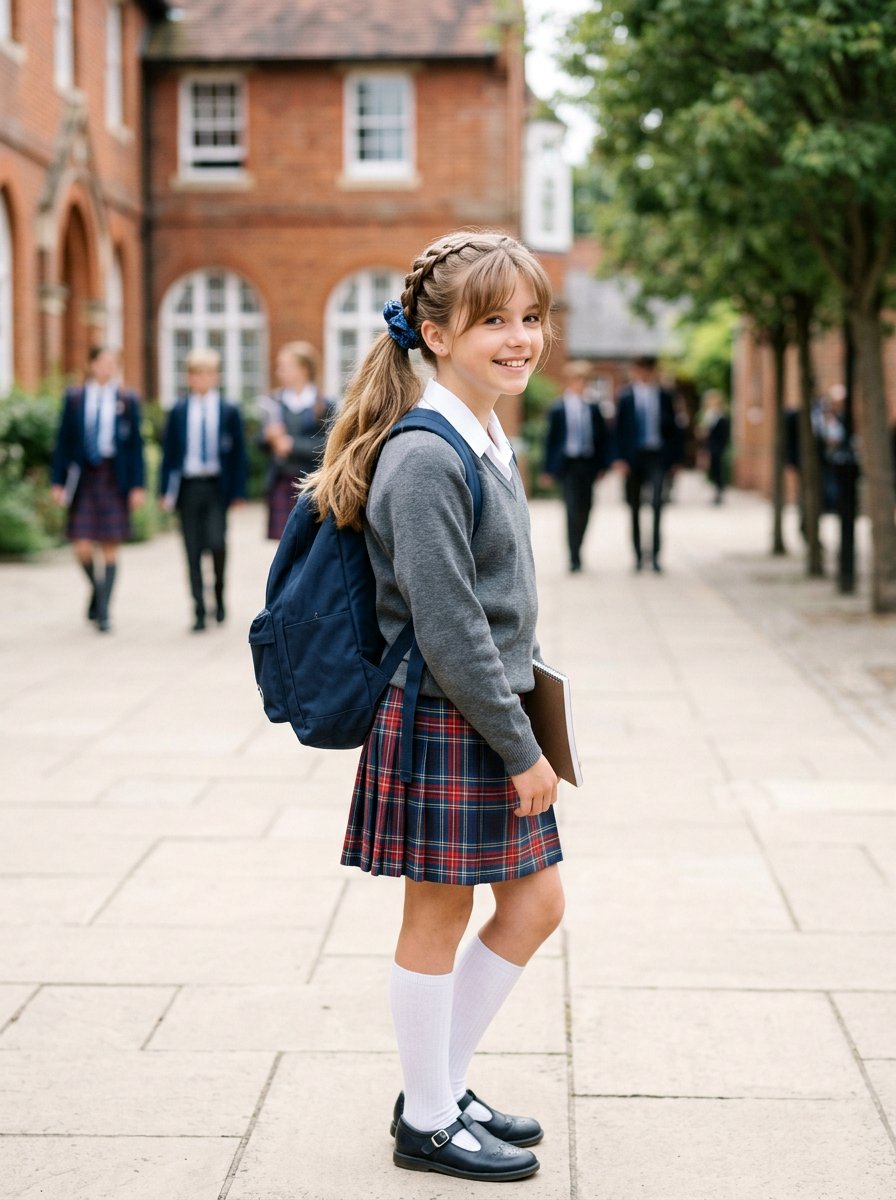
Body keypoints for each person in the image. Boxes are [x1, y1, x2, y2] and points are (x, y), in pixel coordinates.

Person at [305, 231, 564, 1183]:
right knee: (440, 914)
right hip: (450, 713)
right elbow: (451, 628)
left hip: (484, 707)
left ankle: (439, 1084)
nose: (519, 338)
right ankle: (426, 1117)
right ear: (435, 332)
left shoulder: (483, 434)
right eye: (493, 320)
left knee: (534, 904)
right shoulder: (426, 454)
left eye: (530, 318)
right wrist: (520, 745)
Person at [50, 345, 145, 632]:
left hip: (113, 476)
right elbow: (63, 442)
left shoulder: (127, 400)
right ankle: (97, 590)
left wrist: (138, 486)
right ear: (91, 365)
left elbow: (135, 446)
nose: (107, 367)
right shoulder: (75, 398)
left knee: (110, 546)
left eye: (113, 363)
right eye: (102, 362)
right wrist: (57, 482)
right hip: (84, 477)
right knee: (81, 546)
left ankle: (103, 612)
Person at [160, 348, 248, 632]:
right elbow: (169, 453)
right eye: (197, 374)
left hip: (216, 486)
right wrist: (164, 490)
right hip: (188, 485)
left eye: (208, 373)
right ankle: (198, 608)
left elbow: (238, 455)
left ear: (216, 376)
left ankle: (219, 595)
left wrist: (238, 492)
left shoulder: (228, 410)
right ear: (189, 377)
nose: (202, 379)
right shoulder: (179, 410)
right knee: (192, 548)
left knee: (217, 543)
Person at [258, 341, 335, 539]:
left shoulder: (324, 405)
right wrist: (268, 436)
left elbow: (329, 446)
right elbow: (259, 443)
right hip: (282, 480)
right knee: (286, 542)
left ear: (303, 369)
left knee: (311, 541)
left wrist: (291, 444)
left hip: (313, 483)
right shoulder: (274, 402)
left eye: (284, 367)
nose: (279, 372)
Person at [613, 355, 683, 572]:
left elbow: (674, 430)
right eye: (640, 369)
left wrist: (676, 460)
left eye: (647, 370)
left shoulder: (664, 396)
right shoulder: (625, 397)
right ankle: (637, 556)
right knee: (634, 507)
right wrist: (619, 459)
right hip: (633, 459)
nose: (643, 374)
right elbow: (618, 430)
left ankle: (655, 556)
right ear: (635, 371)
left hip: (657, 457)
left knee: (657, 505)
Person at [540, 360, 609, 571]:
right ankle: (573, 556)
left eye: (584, 380)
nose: (581, 384)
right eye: (577, 379)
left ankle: (579, 545)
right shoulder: (558, 408)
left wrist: (603, 466)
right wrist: (547, 470)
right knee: (571, 508)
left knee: (586, 508)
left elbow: (603, 439)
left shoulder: (594, 408)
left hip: (588, 465)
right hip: (568, 465)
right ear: (569, 381)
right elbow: (550, 440)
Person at [697, 388, 731, 504]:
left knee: (718, 471)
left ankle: (719, 493)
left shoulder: (721, 417)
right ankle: (716, 493)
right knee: (712, 471)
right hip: (710, 447)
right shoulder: (708, 415)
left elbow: (724, 434)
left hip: (717, 448)